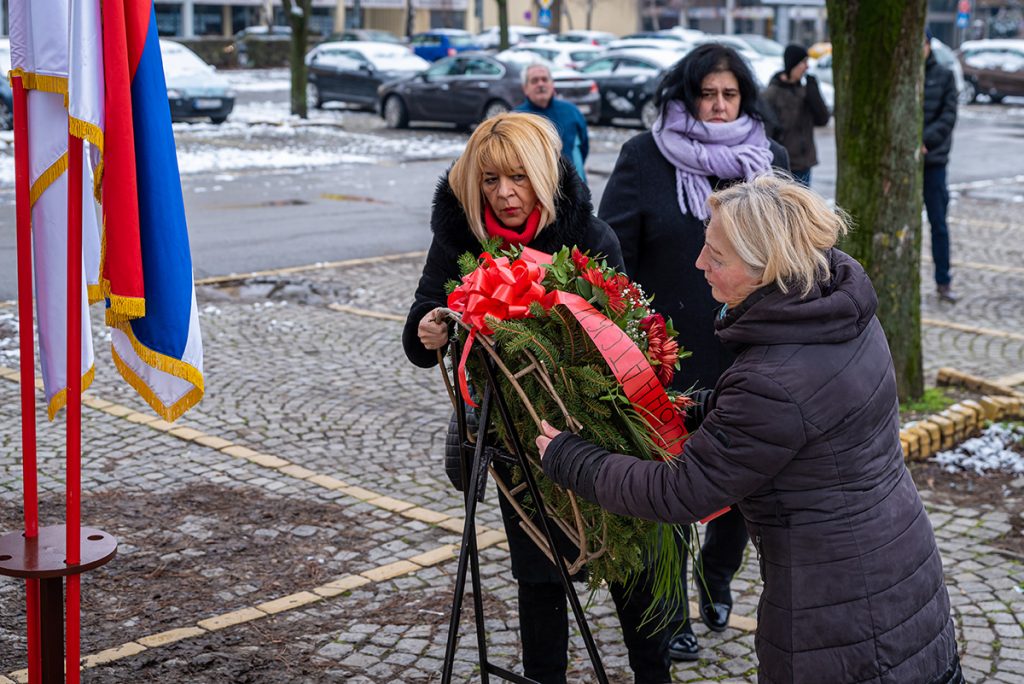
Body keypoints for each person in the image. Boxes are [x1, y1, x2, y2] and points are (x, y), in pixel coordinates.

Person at [538, 174, 964, 684]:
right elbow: (810, 415)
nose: (699, 263)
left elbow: (680, 492)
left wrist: (569, 456)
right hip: (897, 560)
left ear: (767, 268)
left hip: (835, 609)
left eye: (716, 256)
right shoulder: (835, 310)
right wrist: (698, 409)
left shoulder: (772, 378)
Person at [402, 112, 675, 684]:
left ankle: (655, 675)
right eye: (491, 179)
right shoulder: (460, 241)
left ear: (545, 176)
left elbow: (625, 338)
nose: (504, 194)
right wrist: (427, 330)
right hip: (514, 438)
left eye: (519, 178)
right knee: (538, 576)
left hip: (598, 433)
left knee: (631, 568)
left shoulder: (590, 237)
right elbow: (422, 324)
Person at [597, 42, 789, 662]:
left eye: (729, 94)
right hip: (664, 356)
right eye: (706, 93)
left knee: (746, 479)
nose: (717, 104)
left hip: (748, 352)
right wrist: (626, 331)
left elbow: (791, 256)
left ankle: (718, 573)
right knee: (669, 486)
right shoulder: (643, 157)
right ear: (683, 96)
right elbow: (609, 256)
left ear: (744, 99)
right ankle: (670, 607)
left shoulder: (770, 161)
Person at [761, 44, 830, 187]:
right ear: (792, 64)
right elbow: (765, 136)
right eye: (803, 62)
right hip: (782, 168)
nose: (806, 67)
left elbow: (823, 119)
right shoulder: (771, 95)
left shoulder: (805, 91)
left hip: (805, 165)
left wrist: (813, 90)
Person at [923, 29, 959, 303]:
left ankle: (943, 281)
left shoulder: (943, 75)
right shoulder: (906, 74)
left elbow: (948, 117)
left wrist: (925, 142)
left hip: (933, 161)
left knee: (939, 224)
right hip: (907, 164)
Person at [514, 62, 590, 184]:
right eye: (534, 81)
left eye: (545, 79)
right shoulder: (516, 119)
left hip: (572, 188)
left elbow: (583, 147)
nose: (541, 84)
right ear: (525, 88)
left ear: (552, 84)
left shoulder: (571, 111)